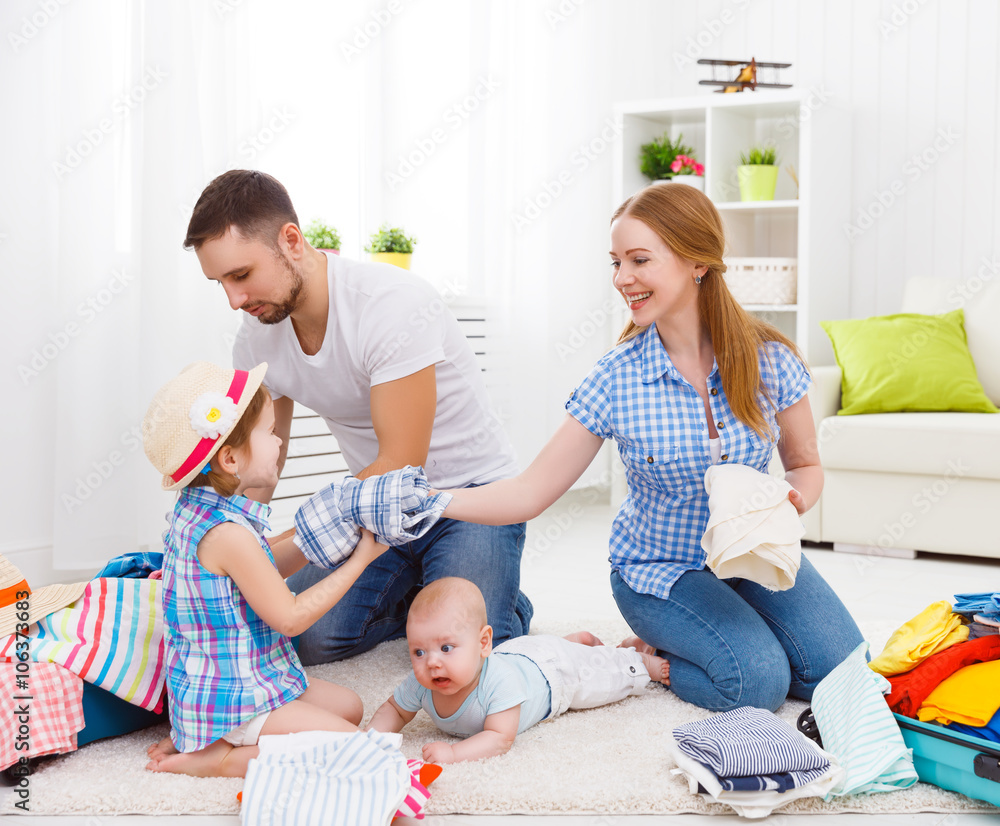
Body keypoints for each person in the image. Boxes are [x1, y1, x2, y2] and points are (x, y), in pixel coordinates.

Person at [437, 183, 865, 713]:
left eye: (639, 260)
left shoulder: (768, 359)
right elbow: (529, 492)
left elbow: (805, 465)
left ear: (697, 263)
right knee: (757, 683)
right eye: (616, 263)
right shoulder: (616, 378)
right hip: (660, 569)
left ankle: (724, 635)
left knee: (846, 673)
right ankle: (650, 656)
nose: (622, 279)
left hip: (751, 555)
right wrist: (432, 500)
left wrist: (791, 500)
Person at [183, 170, 532, 665]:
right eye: (220, 282)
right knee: (306, 638)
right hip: (374, 509)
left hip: (464, 499)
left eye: (241, 275)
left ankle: (503, 601)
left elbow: (399, 464)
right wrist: (231, 541)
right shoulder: (257, 334)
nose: (235, 299)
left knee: (467, 648)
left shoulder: (390, 305)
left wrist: (287, 544)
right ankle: (416, 595)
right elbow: (260, 464)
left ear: (291, 240)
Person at [141, 361, 388, 777]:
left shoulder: (200, 509)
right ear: (231, 458)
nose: (279, 442)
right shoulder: (227, 535)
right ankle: (217, 756)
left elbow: (260, 570)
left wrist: (323, 536)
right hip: (235, 699)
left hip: (243, 677)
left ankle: (207, 735)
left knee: (350, 708)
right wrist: (361, 559)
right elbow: (290, 618)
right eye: (270, 432)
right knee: (352, 749)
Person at [367, 577, 669, 763]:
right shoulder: (423, 682)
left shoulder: (499, 683)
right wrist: (371, 739)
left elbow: (500, 738)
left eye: (446, 648)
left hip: (555, 673)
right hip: (519, 654)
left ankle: (639, 661)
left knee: (603, 682)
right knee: (558, 650)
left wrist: (454, 754)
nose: (432, 662)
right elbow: (395, 709)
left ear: (483, 642)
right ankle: (575, 642)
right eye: (418, 652)